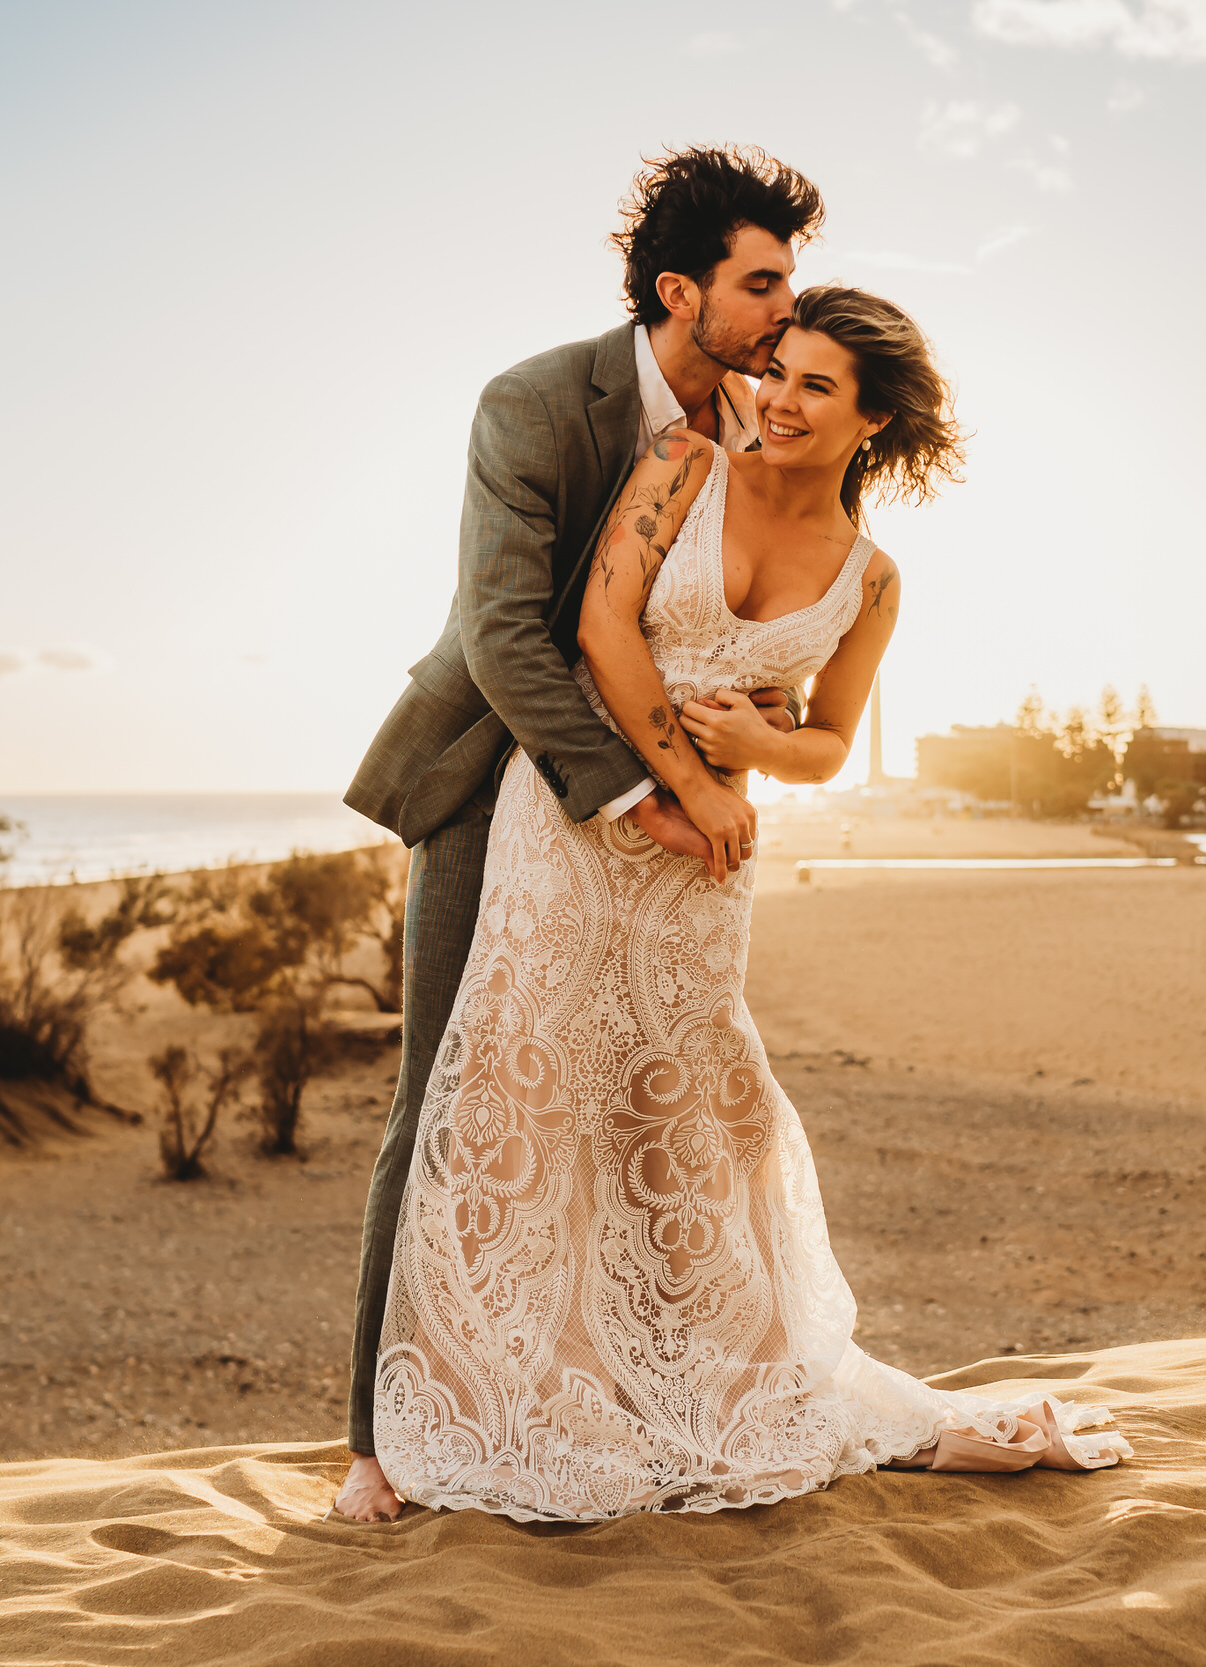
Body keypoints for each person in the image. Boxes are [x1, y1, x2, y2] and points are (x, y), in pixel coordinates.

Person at [363, 284, 1130, 1522]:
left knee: (685, 1109)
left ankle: (679, 1376)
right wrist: (686, 778)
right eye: (777, 367)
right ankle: (514, 1386)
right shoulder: (682, 463)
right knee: (529, 1087)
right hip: (575, 821)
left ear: (871, 420)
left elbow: (829, 739)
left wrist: (753, 759)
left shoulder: (872, 580)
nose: (775, 395)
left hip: (702, 873)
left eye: (815, 384)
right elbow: (604, 629)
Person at [336, 147, 825, 1522]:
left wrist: (752, 704)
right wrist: (635, 788)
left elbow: (738, 600)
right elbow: (503, 631)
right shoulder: (536, 402)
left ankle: (602, 1401)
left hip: (666, 828)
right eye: (764, 281)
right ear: (682, 291)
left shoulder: (757, 424)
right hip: (496, 782)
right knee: (443, 1102)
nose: (790, 306)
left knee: (631, 1120)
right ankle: (377, 1438)